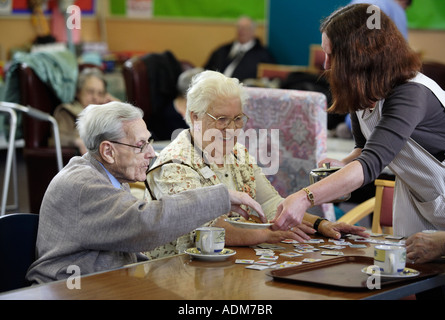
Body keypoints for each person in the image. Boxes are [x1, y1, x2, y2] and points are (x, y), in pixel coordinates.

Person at [26, 101, 265, 284]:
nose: (152, 153)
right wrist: (221, 197)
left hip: (100, 285)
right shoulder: (83, 185)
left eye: (149, 142)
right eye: (141, 145)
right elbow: (147, 223)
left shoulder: (106, 176)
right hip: (68, 290)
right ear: (108, 151)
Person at [145, 70, 368, 259]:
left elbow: (270, 202)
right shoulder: (174, 164)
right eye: (221, 119)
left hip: (231, 261)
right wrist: (268, 234)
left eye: (238, 118)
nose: (232, 128)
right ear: (194, 116)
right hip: (177, 272)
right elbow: (205, 229)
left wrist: (320, 224)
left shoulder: (236, 152)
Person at [271, 4, 445, 238]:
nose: (326, 65)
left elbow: (370, 164)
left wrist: (305, 197)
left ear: (359, 56)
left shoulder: (411, 94)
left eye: (332, 54)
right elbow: (364, 150)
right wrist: (343, 164)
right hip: (417, 197)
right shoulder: (365, 90)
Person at [52, 67, 119, 155]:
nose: (95, 97)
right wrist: (76, 141)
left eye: (100, 93)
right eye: (90, 92)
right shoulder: (67, 112)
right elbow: (56, 139)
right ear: (78, 92)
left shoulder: (104, 114)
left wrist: (118, 107)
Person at [204, 16, 275, 81]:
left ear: (253, 31)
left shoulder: (263, 55)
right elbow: (206, 70)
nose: (241, 30)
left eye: (246, 28)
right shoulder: (222, 50)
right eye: (239, 27)